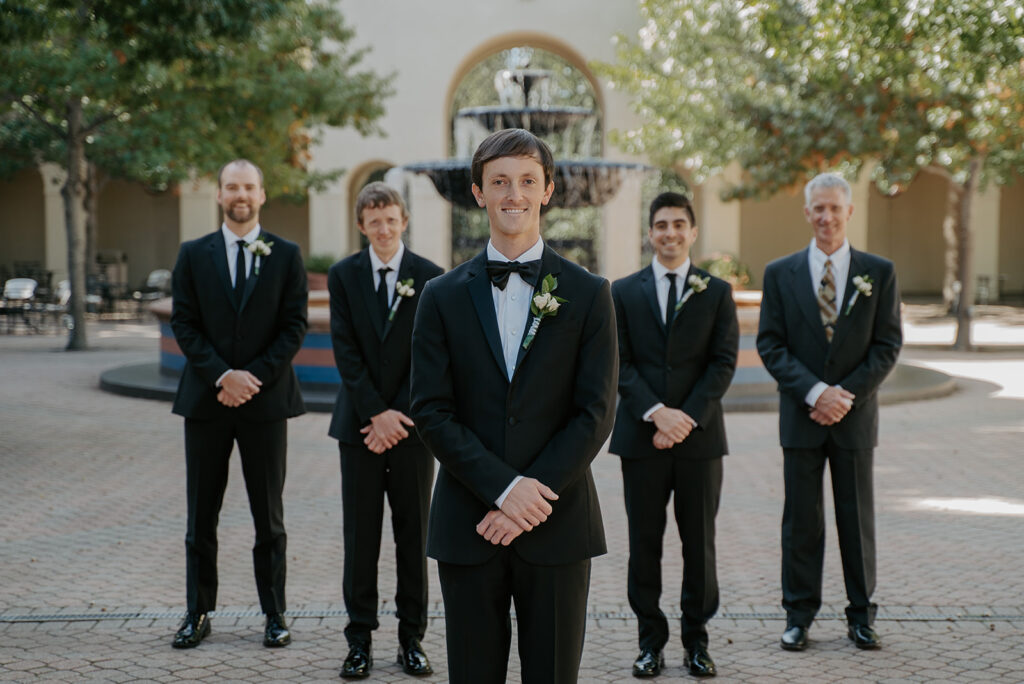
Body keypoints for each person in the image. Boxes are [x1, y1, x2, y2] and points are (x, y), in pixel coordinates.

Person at [410, 128, 618, 684]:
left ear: (548, 190)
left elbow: (595, 411)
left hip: (558, 521)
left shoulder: (590, 292)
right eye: (499, 182)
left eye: (527, 181)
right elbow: (431, 409)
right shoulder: (440, 295)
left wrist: (530, 496)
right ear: (478, 192)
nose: (513, 194)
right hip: (469, 522)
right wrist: (503, 490)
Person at [756, 172, 901, 652]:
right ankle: (798, 616)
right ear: (807, 213)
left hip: (855, 420)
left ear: (849, 212)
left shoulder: (878, 272)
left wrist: (844, 396)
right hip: (801, 418)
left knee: (856, 521)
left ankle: (861, 616)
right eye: (818, 208)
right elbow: (771, 345)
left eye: (835, 208)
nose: (826, 217)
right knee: (801, 521)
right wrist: (816, 392)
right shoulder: (780, 273)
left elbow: (887, 345)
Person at [169, 159, 308, 649]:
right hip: (206, 403)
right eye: (232, 187)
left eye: (248, 186)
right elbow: (184, 323)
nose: (240, 194)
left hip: (265, 404)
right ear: (221, 194)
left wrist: (252, 378)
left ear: (262, 193)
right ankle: (197, 612)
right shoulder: (192, 254)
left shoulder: (287, 255)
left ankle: (274, 615)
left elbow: (294, 326)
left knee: (268, 516)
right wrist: (222, 376)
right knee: (199, 517)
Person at [609, 192, 738, 678]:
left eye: (678, 224)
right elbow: (618, 361)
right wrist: (657, 413)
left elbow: (722, 363)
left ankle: (697, 642)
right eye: (661, 225)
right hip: (641, 441)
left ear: (693, 232)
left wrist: (685, 418)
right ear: (650, 232)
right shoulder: (622, 291)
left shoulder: (716, 292)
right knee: (645, 543)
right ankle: (650, 642)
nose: (669, 233)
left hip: (700, 441)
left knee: (698, 544)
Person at [327, 182, 443, 679]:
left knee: (413, 537)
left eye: (390, 219)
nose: (383, 228)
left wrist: (397, 416)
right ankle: (359, 641)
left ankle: (411, 639)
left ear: (404, 221)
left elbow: (430, 357)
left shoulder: (430, 278)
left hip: (413, 430)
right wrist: (376, 414)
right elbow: (346, 353)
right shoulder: (344, 276)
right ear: (362, 225)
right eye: (373, 221)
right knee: (361, 538)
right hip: (359, 429)